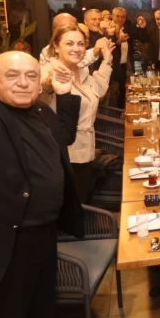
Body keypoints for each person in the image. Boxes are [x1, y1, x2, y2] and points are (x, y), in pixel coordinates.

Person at [0, 51, 84, 318]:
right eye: (12, 75)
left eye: (31, 76)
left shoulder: (42, 110)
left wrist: (65, 96)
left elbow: (65, 137)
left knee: (42, 308)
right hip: (3, 245)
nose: (23, 82)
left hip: (45, 234)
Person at [40, 23, 114, 203]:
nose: (76, 48)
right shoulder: (50, 70)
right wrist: (49, 84)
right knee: (71, 206)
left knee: (83, 201)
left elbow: (98, 90)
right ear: (56, 46)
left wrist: (107, 61)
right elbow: (42, 91)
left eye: (81, 44)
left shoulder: (82, 70)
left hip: (86, 150)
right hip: (63, 155)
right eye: (69, 43)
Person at [39, 13, 104, 68]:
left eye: (71, 27)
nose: (76, 49)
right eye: (69, 44)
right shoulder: (46, 52)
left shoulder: (84, 47)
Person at [111, 7, 136, 108]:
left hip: (125, 65)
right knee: (114, 94)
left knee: (124, 91)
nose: (120, 19)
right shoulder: (108, 30)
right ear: (112, 16)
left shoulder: (126, 29)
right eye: (117, 16)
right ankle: (115, 114)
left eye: (123, 17)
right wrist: (118, 41)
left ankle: (123, 111)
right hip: (113, 67)